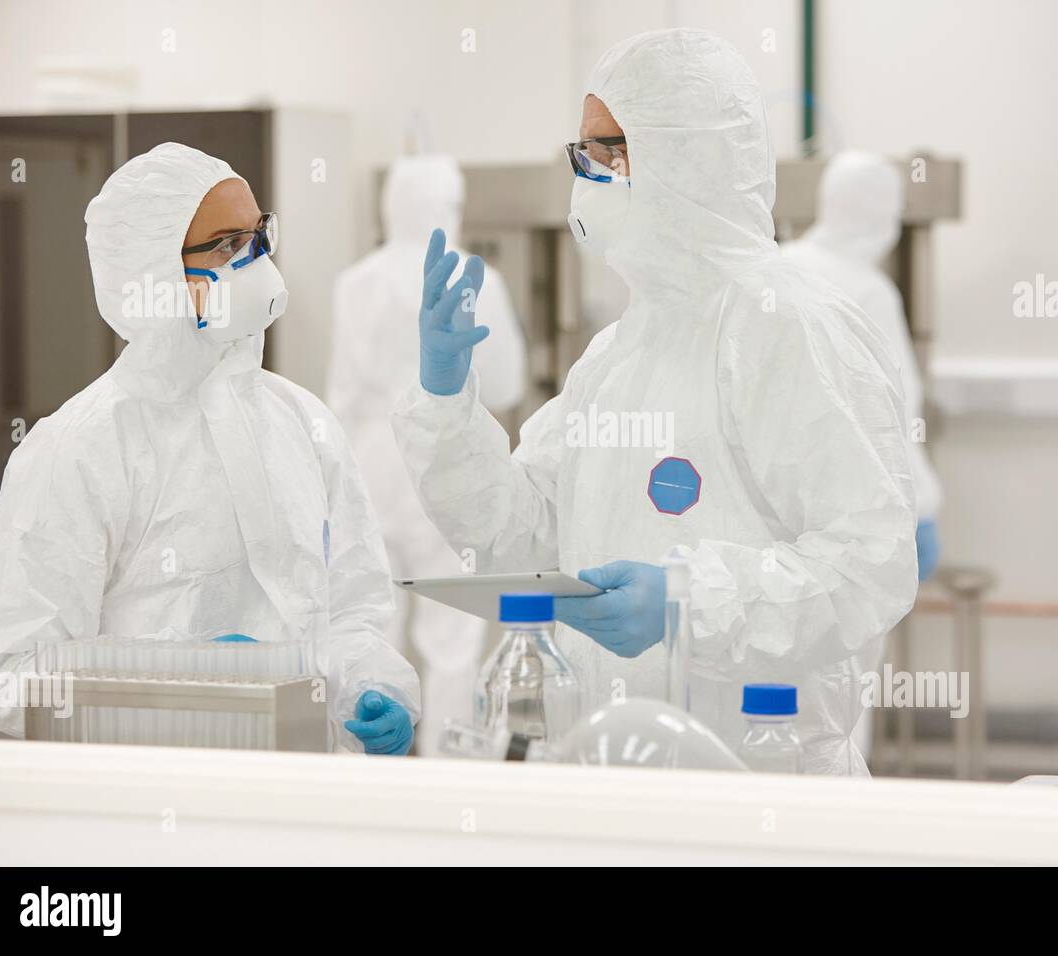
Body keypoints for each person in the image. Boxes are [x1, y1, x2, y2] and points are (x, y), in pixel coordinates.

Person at [393, 30, 918, 775]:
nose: (586, 177)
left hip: (760, 782)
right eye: (580, 155)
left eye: (605, 152)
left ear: (686, 157)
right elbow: (525, 536)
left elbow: (868, 564)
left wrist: (685, 605)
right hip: (609, 766)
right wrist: (446, 403)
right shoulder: (621, 352)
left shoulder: (785, 323)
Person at [0, 143, 420, 755]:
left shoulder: (301, 422)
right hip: (151, 808)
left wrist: (369, 684)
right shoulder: (78, 451)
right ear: (153, 275)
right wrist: (189, 679)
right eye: (228, 245)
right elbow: (11, 677)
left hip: (304, 793)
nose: (256, 258)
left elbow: (349, 608)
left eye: (260, 235)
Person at [327, 154, 526, 755]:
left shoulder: (353, 282)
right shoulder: (475, 277)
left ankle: (362, 771)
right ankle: (448, 774)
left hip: (366, 468)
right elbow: (510, 382)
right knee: (453, 640)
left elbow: (337, 394)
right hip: (443, 467)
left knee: (366, 631)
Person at [781, 151, 943, 580]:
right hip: (860, 520)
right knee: (855, 641)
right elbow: (893, 412)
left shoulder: (778, 267)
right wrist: (920, 506)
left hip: (783, 513)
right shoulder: (869, 292)